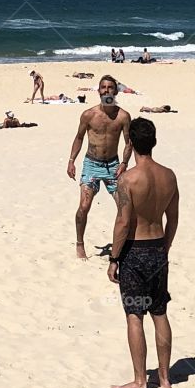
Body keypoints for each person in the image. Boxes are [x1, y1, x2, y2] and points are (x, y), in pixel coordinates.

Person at [107, 117, 179, 388]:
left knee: (135, 315)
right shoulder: (169, 175)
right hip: (158, 248)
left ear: (131, 144)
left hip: (135, 252)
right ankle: (164, 377)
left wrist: (114, 258)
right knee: (159, 312)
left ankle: (140, 382)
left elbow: (123, 222)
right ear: (155, 141)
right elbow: (173, 218)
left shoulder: (128, 180)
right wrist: (166, 247)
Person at [67, 74, 133, 260]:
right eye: (103, 87)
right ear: (98, 91)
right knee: (84, 206)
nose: (106, 90)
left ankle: (121, 245)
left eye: (110, 87)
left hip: (113, 165)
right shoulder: (89, 114)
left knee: (124, 207)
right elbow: (79, 137)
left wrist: (124, 163)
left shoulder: (123, 116)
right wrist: (72, 160)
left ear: (116, 91)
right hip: (91, 164)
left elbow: (129, 143)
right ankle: (80, 243)